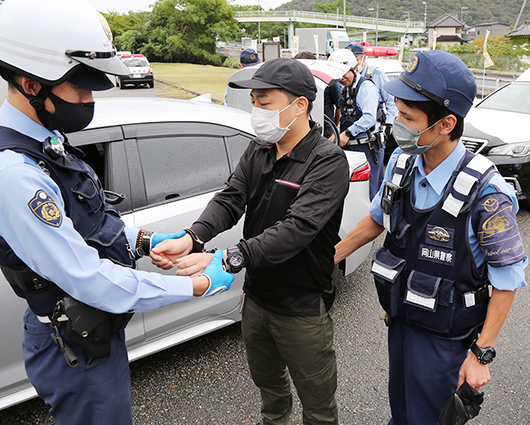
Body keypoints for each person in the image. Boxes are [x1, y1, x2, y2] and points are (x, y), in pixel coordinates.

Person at [0, 1, 233, 424]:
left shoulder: (46, 140)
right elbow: (88, 279)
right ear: (31, 85)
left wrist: (143, 240)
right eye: (81, 88)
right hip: (75, 338)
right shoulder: (16, 174)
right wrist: (198, 285)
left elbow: (86, 219)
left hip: (92, 329)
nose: (89, 100)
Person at [151, 58, 349, 425]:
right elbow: (230, 198)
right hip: (256, 299)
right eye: (254, 101)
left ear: (299, 105)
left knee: (318, 406)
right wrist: (194, 236)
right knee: (270, 390)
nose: (256, 110)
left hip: (301, 306)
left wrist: (229, 258)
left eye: (265, 102)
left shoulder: (327, 161)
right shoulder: (259, 149)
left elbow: (298, 228)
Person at [335, 50, 527, 425]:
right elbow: (376, 219)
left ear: (446, 124)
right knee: (403, 412)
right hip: (401, 321)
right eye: (397, 113)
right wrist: (328, 257)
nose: (397, 124)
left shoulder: (488, 195)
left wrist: (481, 354)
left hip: (446, 340)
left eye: (408, 118)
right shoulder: (401, 163)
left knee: (430, 419)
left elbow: (507, 281)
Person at [328, 49, 384, 200]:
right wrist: (336, 133)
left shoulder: (366, 87)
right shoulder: (345, 90)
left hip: (367, 147)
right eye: (338, 75)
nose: (341, 78)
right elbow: (346, 117)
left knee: (370, 191)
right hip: (352, 147)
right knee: (355, 193)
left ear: (354, 68)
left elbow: (369, 118)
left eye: (344, 73)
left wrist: (347, 133)